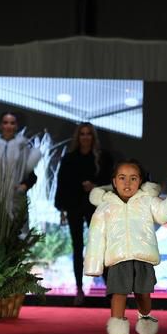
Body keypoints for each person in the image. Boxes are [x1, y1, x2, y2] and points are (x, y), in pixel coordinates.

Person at [84, 159, 167, 334]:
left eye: (133, 178)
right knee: (118, 293)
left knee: (143, 294)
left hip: (143, 257)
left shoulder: (148, 201)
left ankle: (146, 320)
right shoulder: (105, 207)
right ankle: (116, 332)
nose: (127, 183)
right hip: (117, 258)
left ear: (140, 181)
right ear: (114, 182)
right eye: (122, 178)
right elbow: (96, 236)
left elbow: (165, 213)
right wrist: (94, 265)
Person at [54, 122, 113, 306]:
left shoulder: (103, 158)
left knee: (100, 247)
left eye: (88, 134)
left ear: (93, 137)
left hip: (96, 207)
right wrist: (62, 208)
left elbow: (112, 182)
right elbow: (62, 184)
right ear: (78, 137)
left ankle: (110, 288)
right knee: (77, 248)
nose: (85, 137)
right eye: (82, 134)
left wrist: (95, 187)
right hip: (74, 207)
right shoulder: (69, 159)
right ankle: (79, 289)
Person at [0, 111, 41, 220]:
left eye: (12, 123)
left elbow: (31, 175)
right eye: (5, 122)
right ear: (0, 125)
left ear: (17, 126)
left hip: (15, 198)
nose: (8, 126)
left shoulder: (23, 148)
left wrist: (23, 187)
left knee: (14, 231)